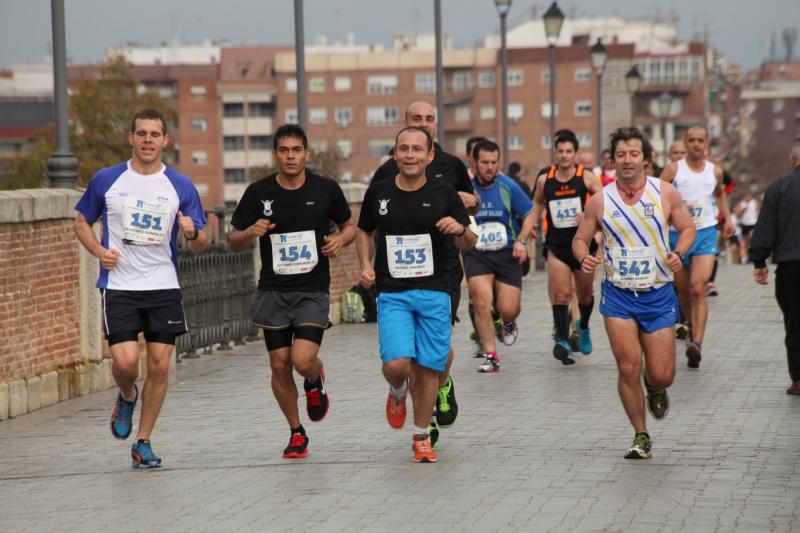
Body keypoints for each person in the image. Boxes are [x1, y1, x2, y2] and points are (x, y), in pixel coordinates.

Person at [73, 108, 209, 469]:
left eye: (155, 134)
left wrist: (192, 232)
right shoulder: (107, 180)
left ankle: (143, 441)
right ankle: (126, 394)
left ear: (166, 141)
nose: (148, 140)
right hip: (119, 286)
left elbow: (202, 240)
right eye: (142, 134)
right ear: (131, 138)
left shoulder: (180, 185)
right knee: (125, 362)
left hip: (163, 286)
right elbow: (81, 222)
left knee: (161, 366)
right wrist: (99, 251)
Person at [229, 124, 356, 459]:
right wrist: (251, 231)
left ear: (306, 153)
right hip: (273, 290)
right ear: (275, 155)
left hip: (312, 289)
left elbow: (350, 225)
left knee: (302, 360)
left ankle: (314, 379)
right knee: (280, 365)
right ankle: (296, 431)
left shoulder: (326, 189)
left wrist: (340, 240)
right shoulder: (258, 193)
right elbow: (233, 239)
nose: (290, 156)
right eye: (283, 150)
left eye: (296, 150)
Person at [573, 126, 696, 459]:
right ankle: (640, 434)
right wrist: (584, 257)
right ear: (612, 160)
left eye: (634, 154)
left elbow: (687, 228)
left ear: (646, 159)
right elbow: (580, 238)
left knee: (663, 374)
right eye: (621, 155)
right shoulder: (600, 200)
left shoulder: (665, 193)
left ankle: (653, 384)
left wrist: (679, 254)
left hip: (657, 294)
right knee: (627, 366)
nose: (627, 160)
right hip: (618, 295)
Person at [356, 126, 477, 463]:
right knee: (397, 365)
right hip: (393, 292)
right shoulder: (379, 193)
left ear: (429, 156)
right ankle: (396, 391)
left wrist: (461, 230)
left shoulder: (445, 195)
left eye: (416, 150)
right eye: (403, 149)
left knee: (427, 368)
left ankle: (422, 435)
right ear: (395, 154)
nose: (410, 155)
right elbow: (364, 230)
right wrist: (366, 263)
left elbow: (471, 241)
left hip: (436, 290)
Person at [660, 126, 735, 368]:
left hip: (705, 233)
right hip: (678, 236)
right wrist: (673, 211)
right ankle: (691, 327)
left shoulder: (715, 172)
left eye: (700, 140)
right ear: (685, 142)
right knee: (683, 292)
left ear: (706, 144)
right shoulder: (673, 170)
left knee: (698, 288)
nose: (695, 144)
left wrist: (728, 218)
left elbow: (720, 195)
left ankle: (697, 343)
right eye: (691, 140)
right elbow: (654, 195)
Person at [531, 129, 603, 365]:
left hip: (583, 246)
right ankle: (562, 341)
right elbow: (536, 207)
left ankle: (582, 327)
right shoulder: (545, 179)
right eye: (560, 151)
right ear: (555, 152)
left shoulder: (587, 177)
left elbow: (606, 204)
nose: (564, 155)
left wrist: (589, 214)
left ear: (575, 154)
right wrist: (526, 232)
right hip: (557, 246)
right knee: (561, 294)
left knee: (584, 295)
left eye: (568, 151)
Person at [465, 140, 535, 372]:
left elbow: (530, 214)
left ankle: (507, 322)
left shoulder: (508, 186)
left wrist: (521, 241)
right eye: (484, 162)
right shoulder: (466, 189)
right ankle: (491, 355)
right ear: (474, 162)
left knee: (508, 308)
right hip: (477, 253)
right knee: (480, 299)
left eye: (494, 162)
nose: (490, 167)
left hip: (507, 254)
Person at [749, 142, 800, 395]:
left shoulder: (779, 187)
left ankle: (798, 378)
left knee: (794, 323)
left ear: (792, 160)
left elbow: (766, 226)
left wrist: (759, 260)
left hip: (791, 267)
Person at [736, 191, 760, 263]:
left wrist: (758, 217)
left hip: (753, 223)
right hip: (744, 224)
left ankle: (752, 255)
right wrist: (742, 210)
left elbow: (759, 210)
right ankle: (746, 257)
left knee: (751, 237)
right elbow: (737, 215)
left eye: (749, 196)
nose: (747, 198)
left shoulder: (754, 202)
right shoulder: (741, 204)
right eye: (746, 196)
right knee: (745, 242)